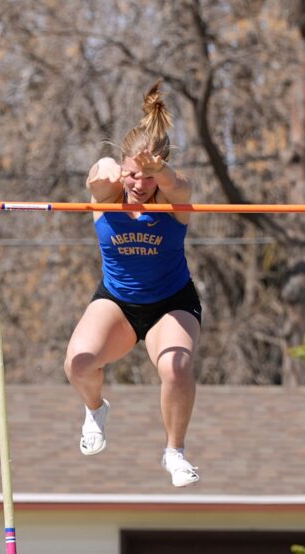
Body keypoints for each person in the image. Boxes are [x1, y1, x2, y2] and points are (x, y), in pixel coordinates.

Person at [64, 81, 201, 487]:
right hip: (118, 303)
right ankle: (95, 409)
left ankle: (174, 452)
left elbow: (178, 185)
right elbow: (97, 182)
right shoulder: (109, 194)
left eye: (147, 178)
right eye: (132, 175)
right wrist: (106, 166)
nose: (138, 186)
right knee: (78, 363)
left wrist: (160, 171)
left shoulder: (175, 198)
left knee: (176, 368)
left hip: (171, 303)